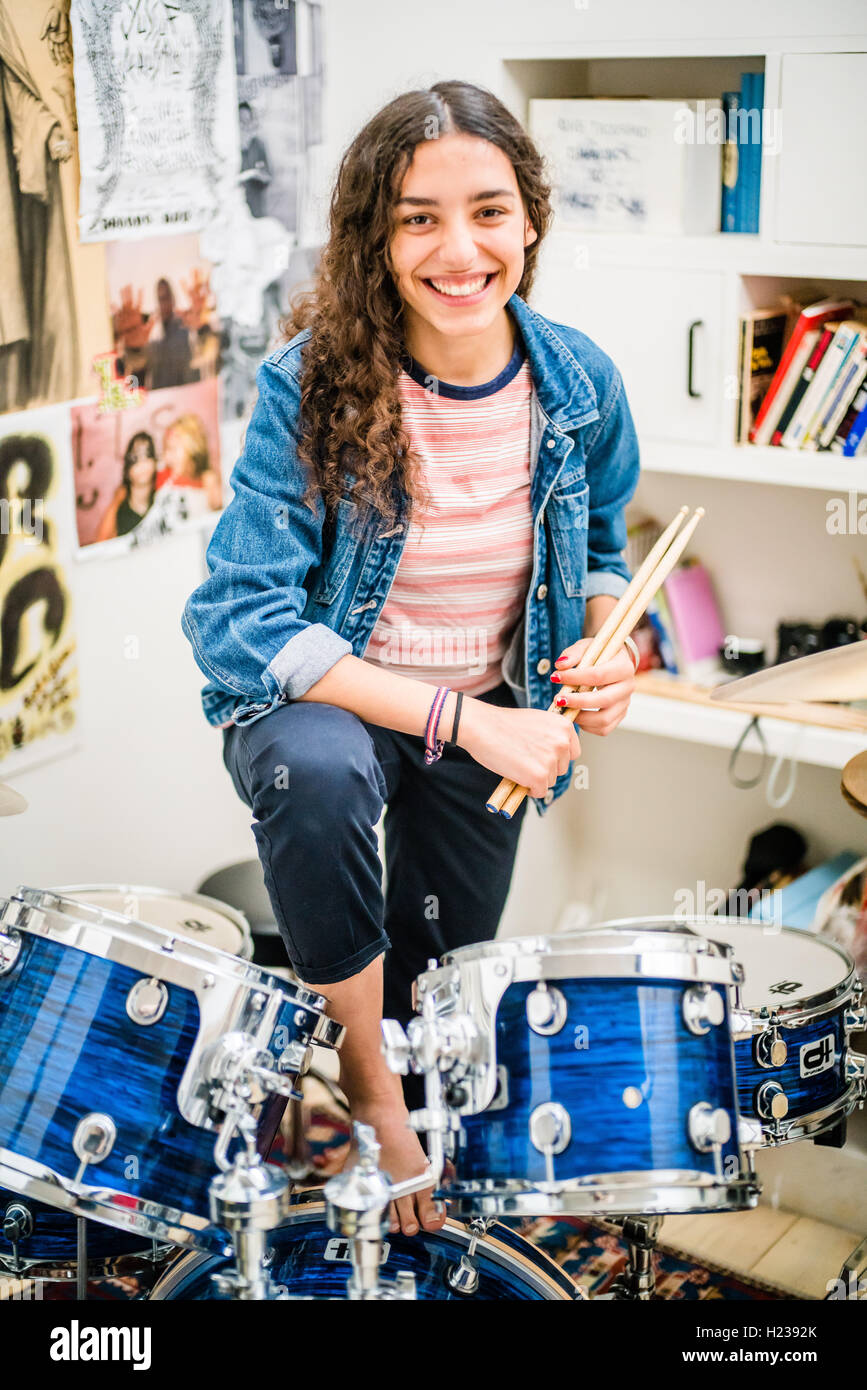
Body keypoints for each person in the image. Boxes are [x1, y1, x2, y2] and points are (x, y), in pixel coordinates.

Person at [182, 81, 640, 1238]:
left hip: (492, 701)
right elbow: (241, 619)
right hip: (330, 704)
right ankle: (374, 1103)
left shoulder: (579, 384)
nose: (458, 249)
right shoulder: (307, 384)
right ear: (377, 238)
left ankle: (421, 1133)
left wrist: (610, 643)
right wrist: (468, 720)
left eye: (487, 212)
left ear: (529, 222)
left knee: (444, 973)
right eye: (417, 217)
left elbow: (600, 547)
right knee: (323, 776)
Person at [96, 431, 158, 541]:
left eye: (147, 455)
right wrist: (116, 502)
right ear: (127, 469)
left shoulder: (163, 500)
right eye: (135, 458)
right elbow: (101, 541)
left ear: (155, 462)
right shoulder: (119, 510)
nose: (142, 462)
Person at [156, 414, 221, 516]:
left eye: (172, 449)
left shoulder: (208, 481)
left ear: (190, 448)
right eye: (165, 450)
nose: (166, 457)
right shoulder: (162, 476)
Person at [238, 101, 272, 218]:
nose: (244, 126)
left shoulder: (258, 145)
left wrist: (259, 175)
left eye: (247, 121)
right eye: (240, 122)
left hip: (256, 211)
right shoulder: (230, 148)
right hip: (236, 211)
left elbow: (268, 176)